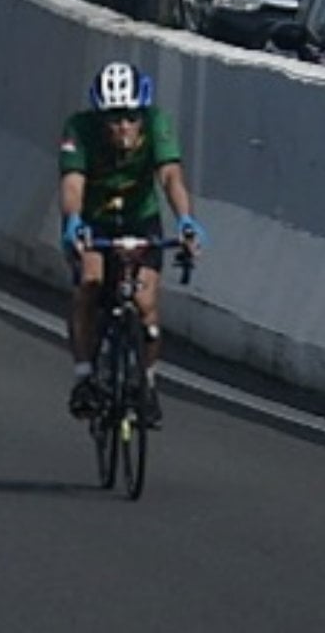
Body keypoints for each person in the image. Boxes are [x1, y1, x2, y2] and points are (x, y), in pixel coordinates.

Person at [58, 59, 203, 426]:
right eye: (113, 119)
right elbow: (73, 182)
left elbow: (170, 176)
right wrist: (73, 220)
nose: (123, 127)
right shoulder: (79, 128)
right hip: (94, 220)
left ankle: (148, 383)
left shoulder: (158, 124)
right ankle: (84, 375)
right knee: (89, 285)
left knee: (145, 301)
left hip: (141, 218)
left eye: (130, 118)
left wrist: (185, 220)